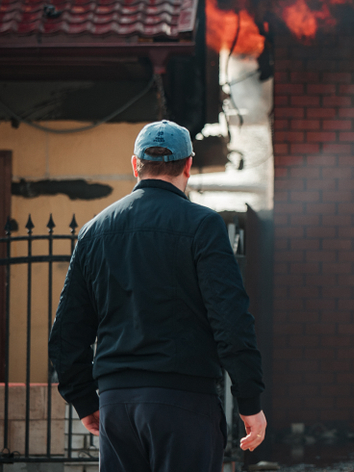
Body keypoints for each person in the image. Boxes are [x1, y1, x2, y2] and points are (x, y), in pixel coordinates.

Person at [49, 120, 266, 472]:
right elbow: (231, 320)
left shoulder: (93, 232)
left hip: (117, 405)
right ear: (188, 166)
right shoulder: (202, 226)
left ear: (136, 165)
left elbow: (65, 334)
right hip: (185, 403)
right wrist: (249, 400)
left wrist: (84, 400)